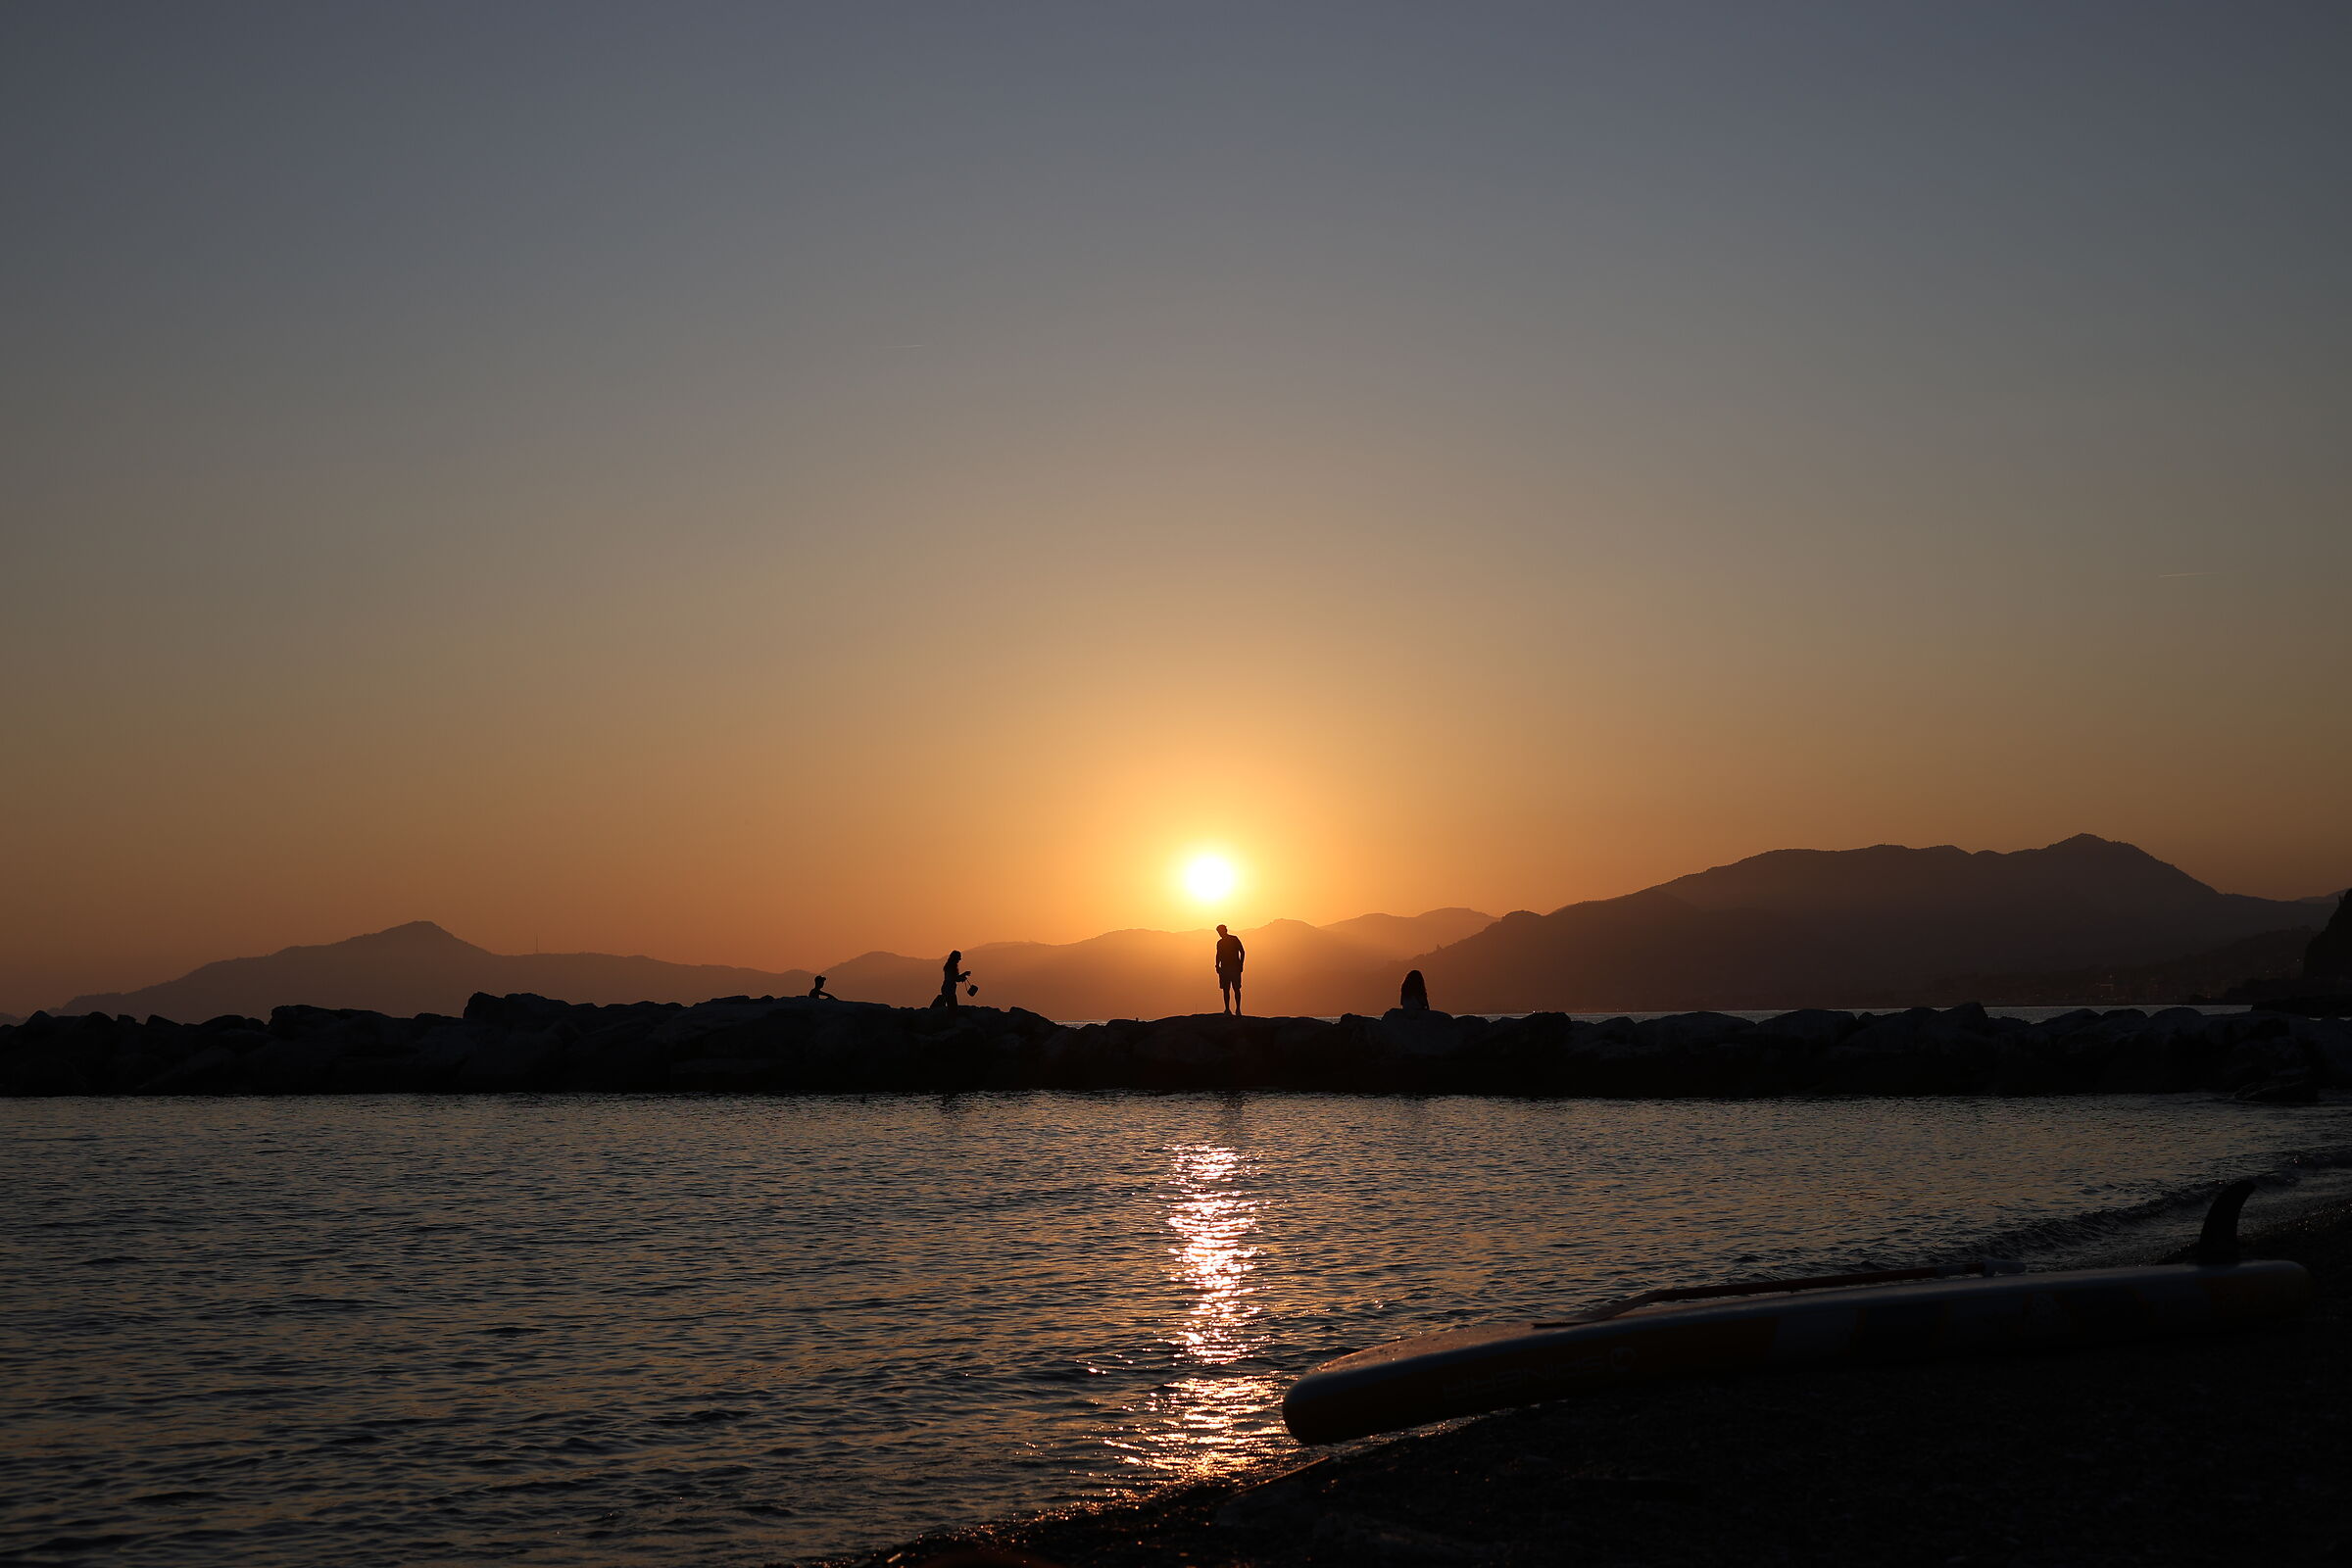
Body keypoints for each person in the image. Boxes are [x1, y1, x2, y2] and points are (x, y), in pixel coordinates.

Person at [1214, 924, 1246, 1015]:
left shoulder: (1233, 939)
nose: (1220, 934)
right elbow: (1218, 955)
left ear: (1225, 930)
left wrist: (1240, 964)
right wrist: (1217, 966)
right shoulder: (1220, 942)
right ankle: (1229, 1009)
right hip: (1226, 968)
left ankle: (1237, 1010)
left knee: (1234, 989)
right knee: (1227, 989)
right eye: (1219, 932)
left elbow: (1242, 951)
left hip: (1232, 968)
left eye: (1220, 932)